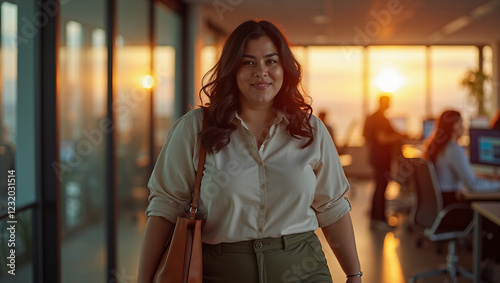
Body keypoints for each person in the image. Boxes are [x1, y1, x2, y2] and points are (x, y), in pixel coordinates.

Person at [137, 20, 362, 283]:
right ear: (232, 69)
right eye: (249, 62)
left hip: (304, 270)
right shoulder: (195, 128)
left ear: (284, 68)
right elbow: (166, 208)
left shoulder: (309, 129)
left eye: (270, 61)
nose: (261, 72)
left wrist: (353, 274)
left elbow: (332, 206)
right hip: (219, 272)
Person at [422, 110, 500, 281]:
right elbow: (473, 184)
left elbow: (465, 181)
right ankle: (488, 265)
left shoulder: (438, 147)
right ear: (455, 125)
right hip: (450, 212)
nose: (464, 127)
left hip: (441, 208)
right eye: (462, 123)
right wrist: (498, 184)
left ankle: (486, 263)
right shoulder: (454, 150)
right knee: (493, 220)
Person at [363, 95, 406, 231]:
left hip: (376, 158)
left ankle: (375, 217)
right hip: (381, 159)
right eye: (388, 102)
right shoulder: (379, 118)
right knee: (381, 187)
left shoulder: (374, 117)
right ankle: (380, 219)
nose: (390, 104)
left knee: (379, 187)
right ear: (384, 102)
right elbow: (382, 138)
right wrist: (399, 136)